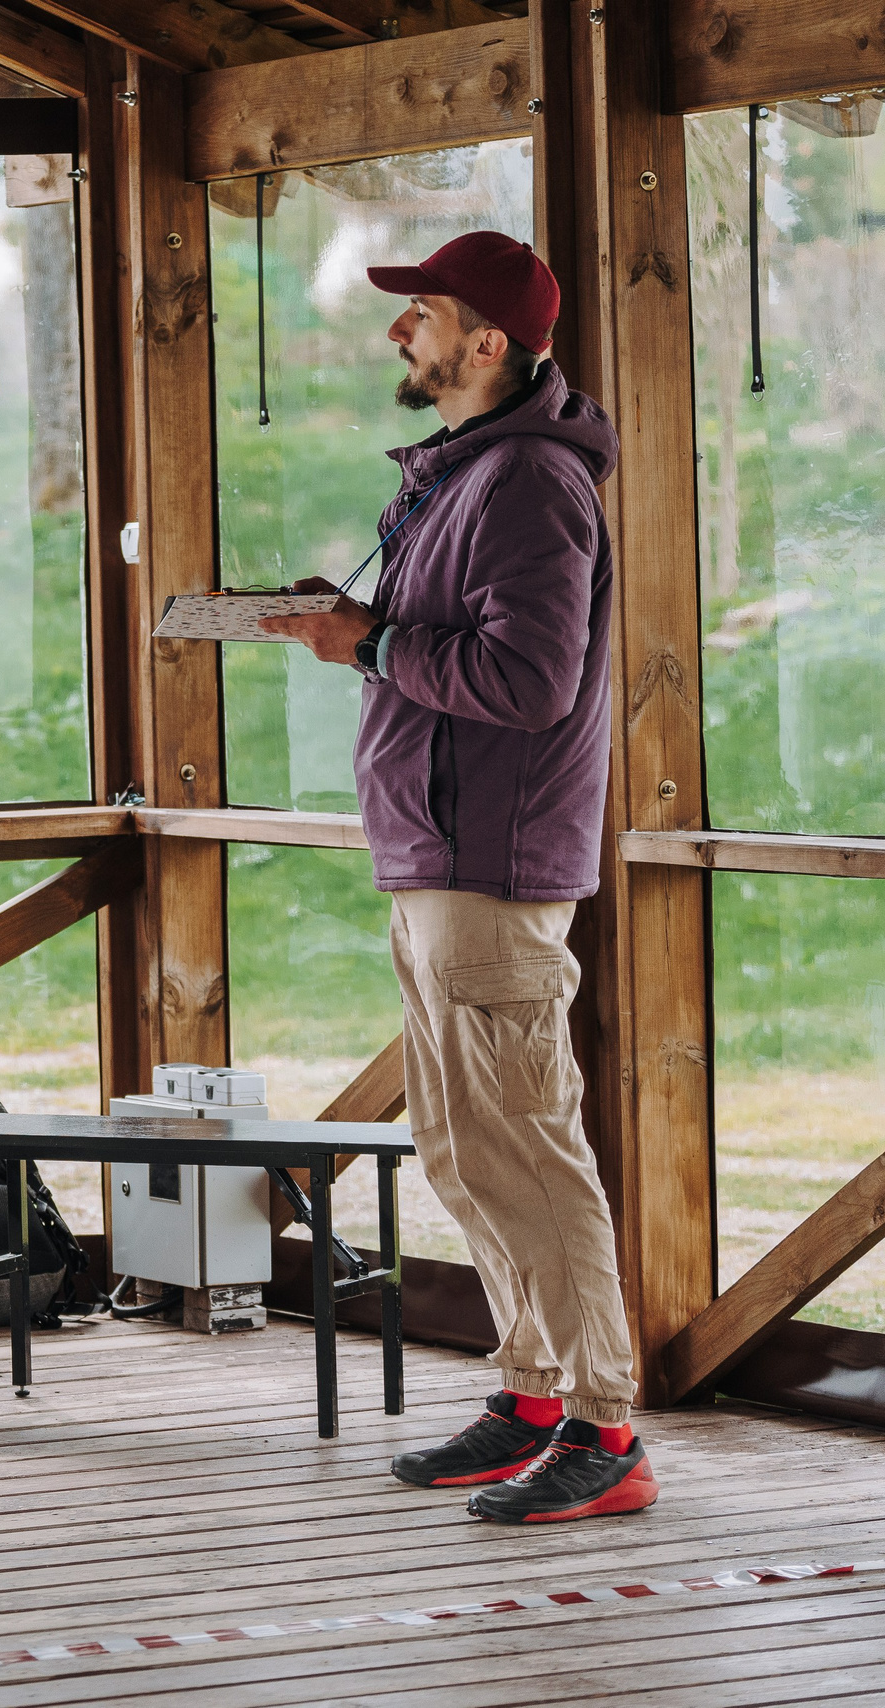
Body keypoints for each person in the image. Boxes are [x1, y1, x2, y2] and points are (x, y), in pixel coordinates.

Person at [260, 232, 656, 1524]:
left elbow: (529, 682)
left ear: (488, 342)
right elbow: (439, 643)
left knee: (530, 1151)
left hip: (492, 864)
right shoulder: (469, 471)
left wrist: (370, 646)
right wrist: (361, 632)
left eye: (421, 312)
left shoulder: (530, 482)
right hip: (437, 858)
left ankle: (607, 1429)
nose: (399, 331)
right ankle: (532, 1395)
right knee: (464, 1149)